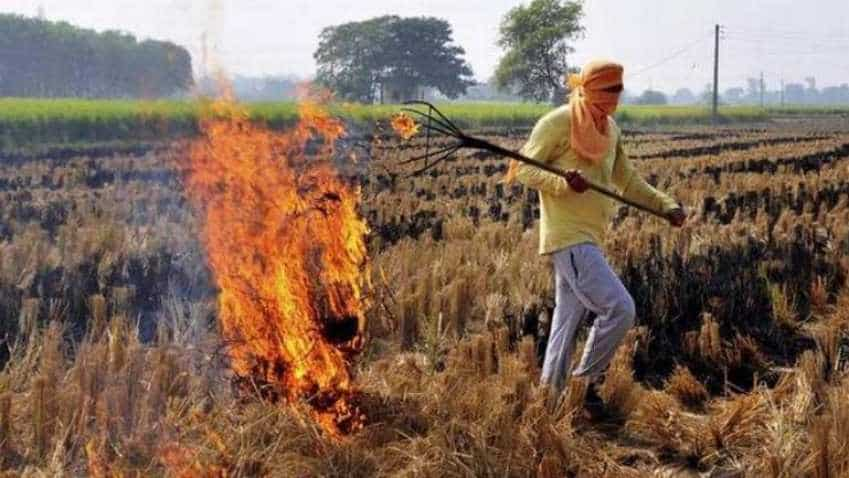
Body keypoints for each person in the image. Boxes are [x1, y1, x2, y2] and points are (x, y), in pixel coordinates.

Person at [508, 60, 686, 411]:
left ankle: (550, 400)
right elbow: (524, 169)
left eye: (618, 90)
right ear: (589, 89)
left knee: (566, 322)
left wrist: (666, 206)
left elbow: (628, 181)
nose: (615, 97)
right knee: (620, 309)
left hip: (590, 237)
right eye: (609, 90)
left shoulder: (610, 130)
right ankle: (584, 384)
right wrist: (562, 181)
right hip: (569, 237)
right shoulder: (558, 122)